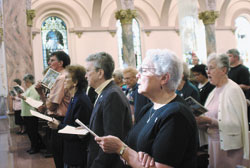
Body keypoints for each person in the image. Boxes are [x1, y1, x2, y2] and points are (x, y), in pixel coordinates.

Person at [95, 49, 198, 168]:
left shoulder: (176, 115)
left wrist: (121, 149)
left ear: (164, 78)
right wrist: (135, 156)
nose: (138, 75)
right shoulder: (148, 108)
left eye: (144, 71)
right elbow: (131, 148)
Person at [196, 53, 249, 167]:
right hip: (213, 145)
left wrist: (209, 121)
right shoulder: (213, 92)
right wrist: (200, 122)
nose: (207, 72)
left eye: (211, 68)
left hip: (230, 148)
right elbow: (209, 117)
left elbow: (237, 125)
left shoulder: (233, 89)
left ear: (224, 70)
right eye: (206, 68)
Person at [85, 52, 132, 168]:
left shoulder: (112, 95)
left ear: (100, 73)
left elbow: (112, 138)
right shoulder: (105, 92)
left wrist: (97, 165)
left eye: (88, 71)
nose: (85, 75)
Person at [48, 65, 92, 168]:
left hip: (77, 155)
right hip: (71, 152)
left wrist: (58, 126)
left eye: (67, 77)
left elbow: (79, 132)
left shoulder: (81, 100)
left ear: (75, 82)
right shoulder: (75, 98)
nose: (64, 80)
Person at [36, 51, 71, 168]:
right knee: (62, 155)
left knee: (59, 155)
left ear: (61, 63)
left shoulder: (60, 78)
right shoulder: (65, 75)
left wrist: (41, 93)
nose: (49, 63)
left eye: (52, 60)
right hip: (64, 118)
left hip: (59, 119)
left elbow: (51, 105)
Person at [18, 74, 42, 154]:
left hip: (31, 114)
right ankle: (33, 146)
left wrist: (23, 97)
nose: (24, 83)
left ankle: (35, 147)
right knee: (30, 132)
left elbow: (33, 101)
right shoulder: (28, 89)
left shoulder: (33, 89)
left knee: (33, 132)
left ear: (28, 81)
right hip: (27, 113)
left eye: (25, 81)